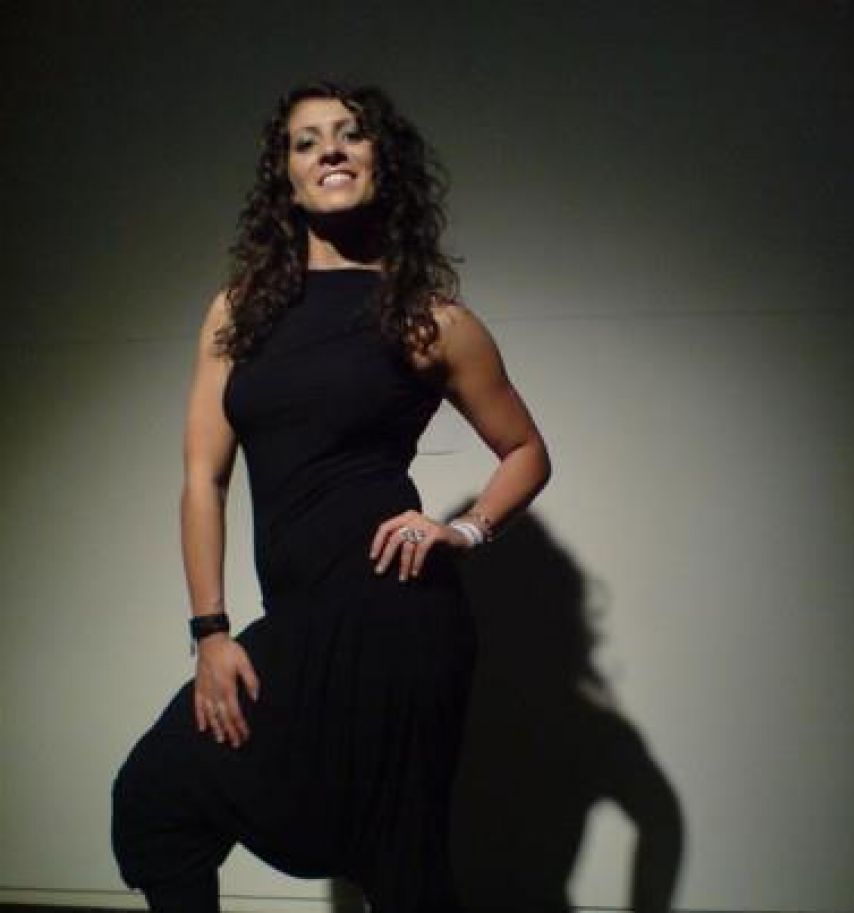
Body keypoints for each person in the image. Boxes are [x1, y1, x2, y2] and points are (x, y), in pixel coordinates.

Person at [111, 81, 551, 913]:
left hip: (399, 621)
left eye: (350, 134)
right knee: (156, 799)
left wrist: (464, 530)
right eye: (307, 141)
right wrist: (211, 631)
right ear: (285, 176)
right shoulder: (239, 313)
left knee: (402, 865)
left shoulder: (430, 319)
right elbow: (203, 477)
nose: (331, 151)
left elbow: (526, 450)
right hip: (299, 619)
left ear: (383, 161)